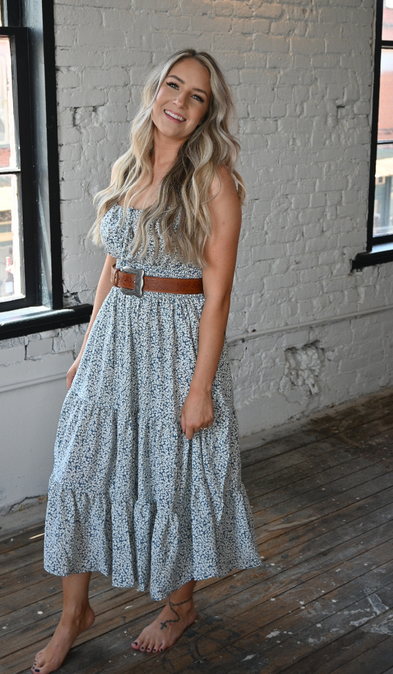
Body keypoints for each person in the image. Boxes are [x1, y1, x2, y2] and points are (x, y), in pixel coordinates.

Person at [32, 49, 261, 674]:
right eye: (174, 86)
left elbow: (218, 298)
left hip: (175, 342)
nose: (180, 104)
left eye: (197, 98)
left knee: (172, 474)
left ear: (207, 114)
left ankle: (179, 605)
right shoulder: (129, 166)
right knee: (79, 466)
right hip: (114, 340)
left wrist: (201, 388)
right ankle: (73, 615)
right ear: (155, 88)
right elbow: (110, 268)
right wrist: (85, 352)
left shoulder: (215, 180)